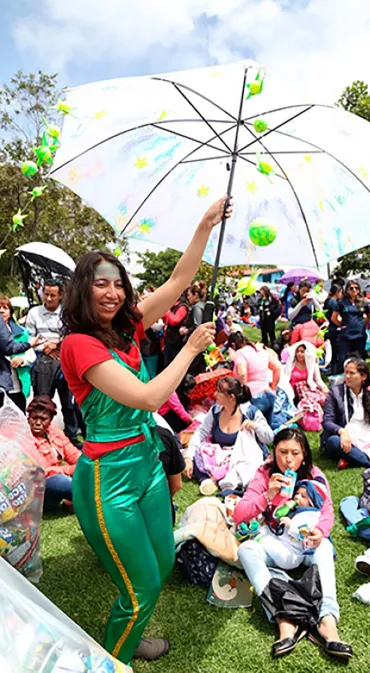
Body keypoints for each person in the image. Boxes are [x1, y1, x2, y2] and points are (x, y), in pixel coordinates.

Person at [60, 196, 231, 664]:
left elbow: (179, 281)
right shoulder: (77, 344)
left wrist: (204, 225)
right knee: (141, 591)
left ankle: (127, 634)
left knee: (162, 563)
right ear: (83, 290)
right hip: (106, 479)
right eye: (101, 285)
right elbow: (148, 399)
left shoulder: (129, 326)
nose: (113, 293)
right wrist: (190, 350)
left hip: (148, 465)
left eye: (118, 284)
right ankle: (113, 657)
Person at [235, 427, 353, 660]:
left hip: (306, 542)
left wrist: (320, 532)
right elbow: (240, 515)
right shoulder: (265, 474)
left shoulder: (314, 475)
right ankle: (285, 619)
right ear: (273, 452)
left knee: (325, 546)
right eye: (282, 452)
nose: (288, 459)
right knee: (246, 549)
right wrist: (267, 495)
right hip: (276, 540)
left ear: (305, 455)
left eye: (295, 453)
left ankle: (327, 621)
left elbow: (327, 510)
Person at [183, 376, 273, 495]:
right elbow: (201, 432)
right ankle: (206, 480)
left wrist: (255, 426)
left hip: (241, 457)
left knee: (244, 466)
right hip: (219, 456)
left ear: (231, 397)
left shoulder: (250, 412)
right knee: (195, 452)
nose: (215, 394)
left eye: (219, 392)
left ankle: (221, 481)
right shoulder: (215, 410)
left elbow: (269, 438)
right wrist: (189, 457)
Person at [26, 278, 81, 447]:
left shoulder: (67, 313)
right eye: (46, 294)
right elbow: (27, 337)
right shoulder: (34, 312)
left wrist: (57, 344)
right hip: (42, 360)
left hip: (64, 361)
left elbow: (74, 335)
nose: (48, 299)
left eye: (53, 295)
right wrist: (45, 347)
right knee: (42, 402)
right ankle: (41, 438)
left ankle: (72, 437)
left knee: (68, 404)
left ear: (61, 295)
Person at [323, 358, 370, 469]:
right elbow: (327, 421)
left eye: (352, 373)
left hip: (369, 434)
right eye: (346, 372)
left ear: (364, 376)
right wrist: (342, 432)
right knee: (333, 442)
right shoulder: (336, 392)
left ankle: (352, 459)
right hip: (345, 435)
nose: (347, 376)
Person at [258, 479, 328, 569]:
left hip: (291, 554)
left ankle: (258, 538)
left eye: (303, 496)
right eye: (297, 493)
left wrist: (291, 525)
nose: (297, 497)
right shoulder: (295, 509)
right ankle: (254, 531)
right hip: (280, 540)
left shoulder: (311, 516)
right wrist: (284, 508)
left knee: (267, 542)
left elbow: (305, 534)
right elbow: (277, 516)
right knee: (265, 529)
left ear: (312, 503)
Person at [27, 395, 80, 511]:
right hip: (35, 494)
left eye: (43, 419)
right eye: (34, 418)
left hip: (58, 483)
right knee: (61, 481)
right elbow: (41, 471)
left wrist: (86, 464)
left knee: (93, 467)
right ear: (28, 418)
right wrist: (71, 470)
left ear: (50, 420)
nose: (38, 423)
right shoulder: (24, 439)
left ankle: (75, 502)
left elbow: (74, 455)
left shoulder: (55, 432)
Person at [228, 332, 280, 426]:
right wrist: (273, 388)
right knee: (266, 429)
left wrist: (242, 395)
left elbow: (242, 374)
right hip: (268, 393)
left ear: (233, 345)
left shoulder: (240, 353)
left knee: (251, 429)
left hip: (254, 396)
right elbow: (277, 368)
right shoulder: (260, 351)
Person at [0, 296, 37, 412]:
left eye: (5, 308)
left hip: (18, 381)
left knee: (19, 413)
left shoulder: (22, 332)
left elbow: (32, 355)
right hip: (2, 381)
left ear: (10, 311)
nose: (1, 311)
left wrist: (22, 359)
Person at [284, 341, 328, 432]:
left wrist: (324, 387)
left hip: (309, 388)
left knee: (325, 398)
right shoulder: (291, 364)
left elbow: (318, 380)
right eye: (298, 351)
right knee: (310, 398)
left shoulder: (312, 364)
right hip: (294, 391)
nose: (299, 354)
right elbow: (285, 379)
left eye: (302, 351)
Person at [335, 280, 370, 366]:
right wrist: (342, 325)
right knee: (345, 359)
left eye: (356, 288)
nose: (354, 290)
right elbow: (334, 317)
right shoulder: (341, 302)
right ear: (347, 290)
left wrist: (362, 324)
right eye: (351, 288)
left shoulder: (363, 302)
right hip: (346, 335)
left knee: (360, 358)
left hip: (360, 334)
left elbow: (369, 316)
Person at [183, 283, 207, 376]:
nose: (188, 297)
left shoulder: (197, 307)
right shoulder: (203, 305)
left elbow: (197, 326)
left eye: (189, 295)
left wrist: (186, 330)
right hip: (202, 342)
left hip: (195, 342)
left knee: (191, 370)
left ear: (195, 295)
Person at [163, 295, 189, 368]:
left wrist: (167, 311)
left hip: (175, 343)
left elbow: (175, 321)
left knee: (171, 366)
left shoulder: (182, 307)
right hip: (169, 341)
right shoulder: (174, 307)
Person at [324, 284, 343, 375]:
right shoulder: (334, 303)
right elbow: (334, 317)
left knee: (333, 350)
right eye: (341, 292)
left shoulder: (327, 301)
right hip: (335, 328)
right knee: (337, 351)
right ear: (337, 292)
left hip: (330, 328)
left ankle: (333, 368)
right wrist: (341, 325)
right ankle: (336, 369)